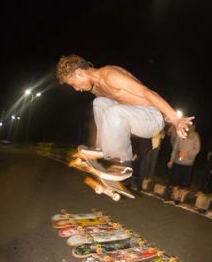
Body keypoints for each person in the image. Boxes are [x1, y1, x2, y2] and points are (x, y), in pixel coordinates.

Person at [55, 54, 193, 178]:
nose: (76, 89)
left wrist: (175, 119)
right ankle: (102, 148)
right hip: (133, 116)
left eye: (73, 84)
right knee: (100, 102)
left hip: (151, 117)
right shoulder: (97, 88)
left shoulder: (110, 75)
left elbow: (148, 93)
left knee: (114, 111)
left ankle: (124, 163)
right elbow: (110, 122)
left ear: (79, 73)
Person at [167, 124, 201, 203]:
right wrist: (171, 160)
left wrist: (187, 153)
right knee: (174, 180)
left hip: (188, 163)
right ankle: (172, 196)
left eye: (188, 126)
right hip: (177, 161)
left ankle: (179, 198)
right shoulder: (180, 134)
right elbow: (175, 148)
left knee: (184, 183)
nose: (186, 128)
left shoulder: (195, 136)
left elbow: (197, 149)